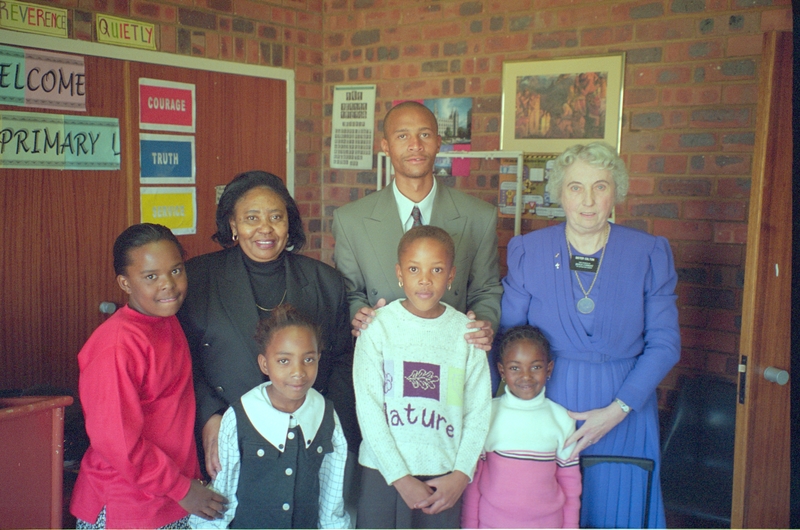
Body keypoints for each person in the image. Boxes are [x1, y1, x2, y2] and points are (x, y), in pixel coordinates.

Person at [500, 142, 680, 528]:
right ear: (559, 193)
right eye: (575, 187)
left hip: (626, 409)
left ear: (616, 192)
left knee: (620, 511)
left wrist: (618, 410)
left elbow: (665, 344)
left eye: (600, 186)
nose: (588, 200)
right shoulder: (529, 251)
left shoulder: (648, 252)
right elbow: (506, 337)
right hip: (546, 408)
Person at [177, 171, 357, 480]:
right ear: (233, 225)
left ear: (289, 224)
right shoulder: (199, 278)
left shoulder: (325, 281)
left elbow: (342, 360)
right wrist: (209, 416)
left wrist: (325, 420)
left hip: (307, 436)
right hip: (227, 437)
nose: (265, 228)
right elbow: (182, 360)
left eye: (276, 217)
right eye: (251, 218)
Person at [70, 223, 226, 529]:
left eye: (176, 271)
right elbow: (118, 443)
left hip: (169, 499)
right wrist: (182, 489)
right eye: (151, 277)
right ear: (125, 283)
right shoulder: (116, 345)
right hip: (125, 508)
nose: (168, 284)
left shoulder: (166, 322)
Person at [332, 100, 502, 351]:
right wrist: (358, 312)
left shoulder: (479, 216)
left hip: (452, 350)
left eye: (424, 134)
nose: (415, 145)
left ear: (438, 142)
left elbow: (486, 290)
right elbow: (350, 292)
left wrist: (485, 323)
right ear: (386, 147)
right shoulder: (350, 221)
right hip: (383, 352)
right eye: (403, 136)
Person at [353, 225, 492, 528]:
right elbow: (368, 408)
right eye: (414, 269)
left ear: (452, 275)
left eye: (437, 269)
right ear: (399, 273)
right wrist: (400, 478)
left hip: (444, 479)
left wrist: (461, 475)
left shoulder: (467, 334)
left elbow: (479, 411)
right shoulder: (377, 328)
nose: (425, 280)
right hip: (382, 476)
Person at [189, 305, 350, 529]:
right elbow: (224, 488)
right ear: (265, 363)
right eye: (284, 360)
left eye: (309, 359)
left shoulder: (326, 414)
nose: (298, 372)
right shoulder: (240, 416)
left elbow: (331, 487)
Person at [461, 325, 581, 529]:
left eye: (535, 367)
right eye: (515, 368)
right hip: (493, 523)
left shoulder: (561, 419)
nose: (526, 376)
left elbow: (570, 486)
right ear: (502, 371)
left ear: (549, 368)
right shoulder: (487, 415)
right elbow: (473, 482)